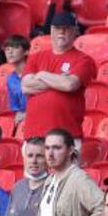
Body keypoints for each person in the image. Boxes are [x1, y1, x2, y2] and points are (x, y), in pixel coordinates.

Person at [21, 14, 96, 143]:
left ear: (75, 31)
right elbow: (25, 86)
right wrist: (59, 81)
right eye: (57, 28)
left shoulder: (83, 59)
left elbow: (70, 85)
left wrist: (42, 74)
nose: (61, 32)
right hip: (34, 134)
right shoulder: (35, 57)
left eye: (66, 28)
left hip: (66, 135)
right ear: (51, 31)